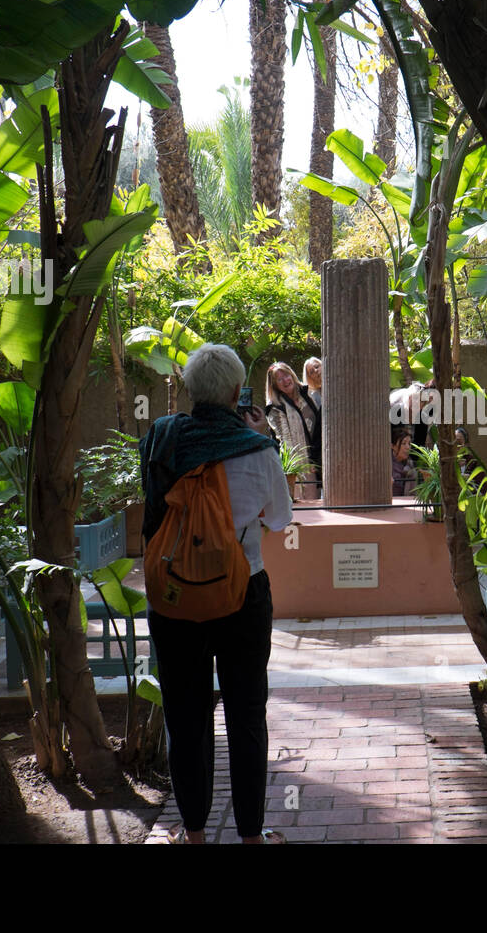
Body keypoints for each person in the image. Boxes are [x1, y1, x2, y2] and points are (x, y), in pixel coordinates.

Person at [139, 343, 292, 845]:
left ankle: (195, 833)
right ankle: (251, 836)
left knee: (186, 716)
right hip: (242, 593)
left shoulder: (161, 439)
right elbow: (281, 519)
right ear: (234, 392)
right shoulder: (258, 450)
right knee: (247, 714)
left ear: (189, 389)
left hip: (175, 598)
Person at [264, 361, 321, 500]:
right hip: (299, 467)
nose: (285, 380)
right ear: (275, 385)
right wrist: (298, 469)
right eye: (279, 379)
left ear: (292, 374)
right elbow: (285, 441)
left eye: (286, 375)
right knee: (305, 505)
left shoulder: (308, 394)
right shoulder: (275, 407)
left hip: (318, 460)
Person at [391, 426, 418, 496]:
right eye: (404, 443)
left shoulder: (410, 465)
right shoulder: (387, 464)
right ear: (393, 446)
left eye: (409, 443)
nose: (408, 447)